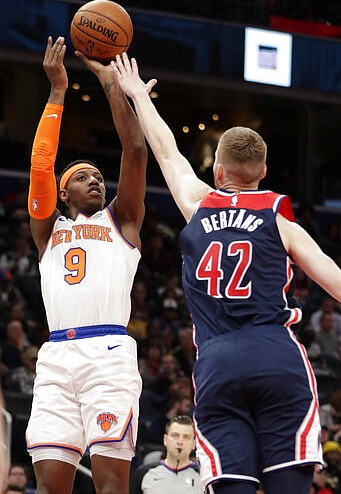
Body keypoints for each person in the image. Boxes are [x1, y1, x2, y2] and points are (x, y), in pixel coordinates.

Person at [112, 53, 341, 494]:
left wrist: (139, 94)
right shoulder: (281, 221)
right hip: (277, 355)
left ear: (217, 171)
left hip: (217, 361)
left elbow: (166, 150)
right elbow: (334, 281)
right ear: (264, 175)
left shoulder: (198, 202)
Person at [25, 37, 150, 494]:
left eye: (98, 176)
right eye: (81, 177)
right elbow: (41, 167)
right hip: (56, 356)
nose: (95, 179)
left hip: (109, 354)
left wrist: (110, 84)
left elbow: (134, 151)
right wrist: (57, 92)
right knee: (50, 486)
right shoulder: (47, 231)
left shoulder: (123, 221)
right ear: (63, 194)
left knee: (111, 485)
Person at [131, 415, 201, 494]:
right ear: (165, 440)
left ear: (194, 444)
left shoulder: (203, 476)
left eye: (186, 437)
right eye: (175, 436)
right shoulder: (143, 474)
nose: (180, 442)